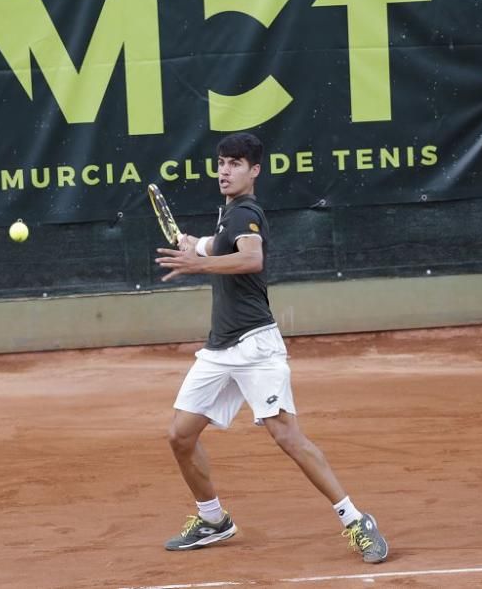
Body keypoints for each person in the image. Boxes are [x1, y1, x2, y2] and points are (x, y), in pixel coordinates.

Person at [154, 132, 388, 563]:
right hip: (220, 348)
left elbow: (251, 259)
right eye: (222, 162)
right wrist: (195, 245)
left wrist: (198, 263)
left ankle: (356, 519)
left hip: (256, 347)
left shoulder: (246, 212)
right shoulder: (229, 215)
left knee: (286, 435)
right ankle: (213, 521)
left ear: (254, 170)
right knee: (180, 435)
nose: (225, 170)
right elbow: (218, 244)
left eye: (236, 163)